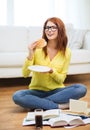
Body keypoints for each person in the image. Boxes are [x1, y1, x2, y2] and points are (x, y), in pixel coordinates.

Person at [12, 17, 87, 110]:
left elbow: (61, 79)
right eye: (47, 28)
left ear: (60, 30)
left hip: (57, 91)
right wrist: (30, 53)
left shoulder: (67, 52)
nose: (49, 30)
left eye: (53, 27)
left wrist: (52, 71)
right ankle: (59, 106)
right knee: (17, 96)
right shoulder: (38, 49)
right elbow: (25, 74)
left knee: (81, 88)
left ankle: (37, 103)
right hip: (37, 91)